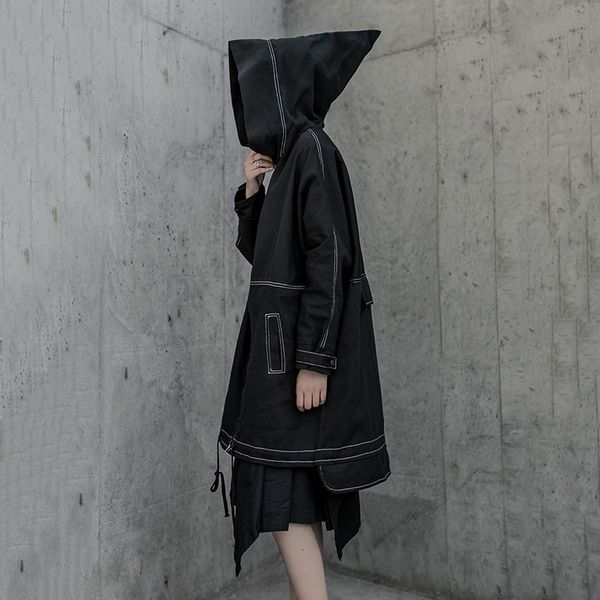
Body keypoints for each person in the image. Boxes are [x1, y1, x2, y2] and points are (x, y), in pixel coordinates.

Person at [210, 30, 390, 600]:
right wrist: (253, 191)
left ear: (281, 90)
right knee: (293, 494)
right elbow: (267, 257)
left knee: (278, 489)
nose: (253, 110)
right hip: (280, 357)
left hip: (295, 360)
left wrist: (314, 361)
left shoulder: (313, 150)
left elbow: (329, 261)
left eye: (259, 94)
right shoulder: (293, 158)